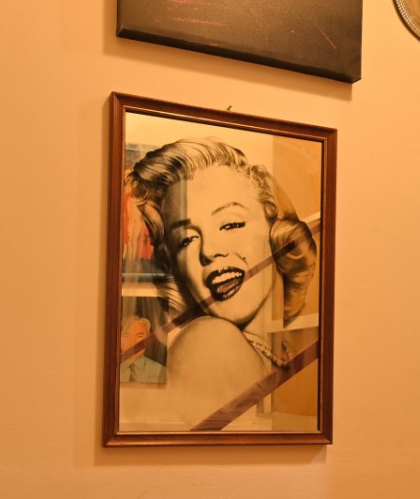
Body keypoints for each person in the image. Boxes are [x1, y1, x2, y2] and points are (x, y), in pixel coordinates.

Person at [125, 137, 316, 428]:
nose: (209, 251)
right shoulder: (209, 341)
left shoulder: (276, 344)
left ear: (274, 228)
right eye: (187, 239)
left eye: (231, 224)